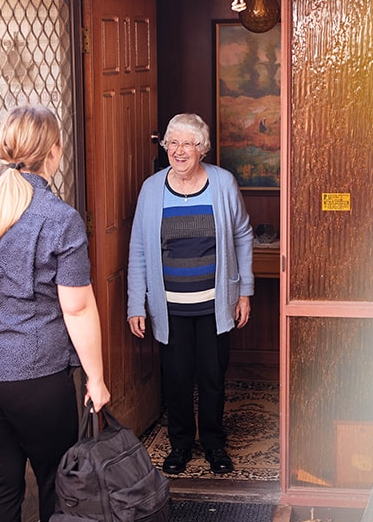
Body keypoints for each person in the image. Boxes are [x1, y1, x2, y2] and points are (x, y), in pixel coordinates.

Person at [0, 104, 110, 522]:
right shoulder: (60, 218)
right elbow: (76, 307)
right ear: (54, 151)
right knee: (59, 484)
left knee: (1, 485)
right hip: (35, 377)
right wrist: (96, 379)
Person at [127, 112, 254, 475]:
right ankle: (181, 445)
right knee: (177, 378)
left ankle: (214, 444)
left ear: (202, 149)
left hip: (215, 304)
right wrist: (137, 302)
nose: (178, 151)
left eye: (187, 143)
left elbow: (243, 236)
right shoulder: (152, 189)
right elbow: (138, 247)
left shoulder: (222, 183)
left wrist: (244, 291)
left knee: (213, 377)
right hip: (170, 308)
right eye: (172, 143)